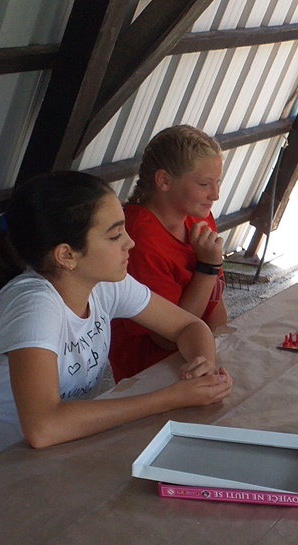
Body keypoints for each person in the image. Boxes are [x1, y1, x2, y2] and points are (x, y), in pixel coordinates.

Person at [0, 172, 233, 475]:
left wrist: (203, 366)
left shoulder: (105, 283)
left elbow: (189, 327)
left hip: (58, 450)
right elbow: (43, 428)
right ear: (66, 255)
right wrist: (170, 398)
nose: (130, 242)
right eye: (114, 236)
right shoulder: (34, 306)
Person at [109, 125, 228, 381]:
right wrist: (208, 268)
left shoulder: (199, 218)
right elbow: (166, 337)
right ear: (164, 181)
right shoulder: (138, 240)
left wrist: (224, 347)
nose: (216, 194)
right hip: (153, 373)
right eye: (204, 184)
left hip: (201, 356)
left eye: (218, 182)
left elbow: (214, 300)